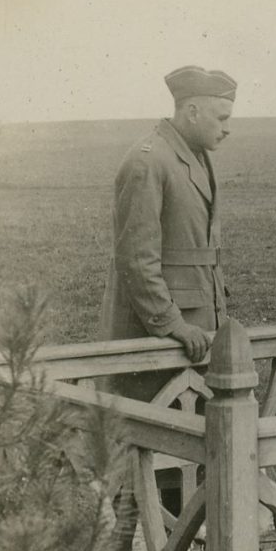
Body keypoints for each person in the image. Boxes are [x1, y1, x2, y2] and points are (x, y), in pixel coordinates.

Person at [99, 65, 236, 400]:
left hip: (196, 329)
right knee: (147, 437)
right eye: (221, 118)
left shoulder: (195, 156)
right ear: (192, 112)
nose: (227, 129)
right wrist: (172, 324)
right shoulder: (148, 161)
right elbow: (136, 259)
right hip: (158, 332)